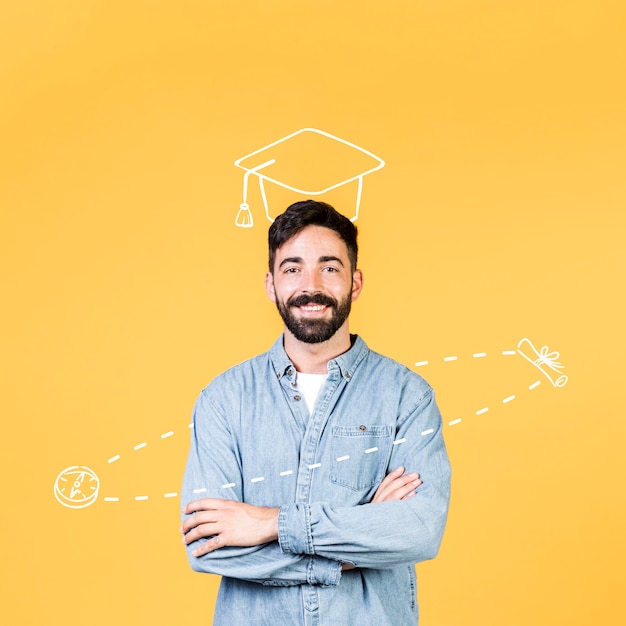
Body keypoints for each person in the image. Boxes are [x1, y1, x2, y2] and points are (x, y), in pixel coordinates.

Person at [180, 200, 451, 625]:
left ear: (355, 281)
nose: (311, 285)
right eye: (292, 268)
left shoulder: (406, 396)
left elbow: (418, 531)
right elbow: (207, 544)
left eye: (329, 267)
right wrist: (354, 546)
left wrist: (271, 524)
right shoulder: (224, 399)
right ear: (271, 284)